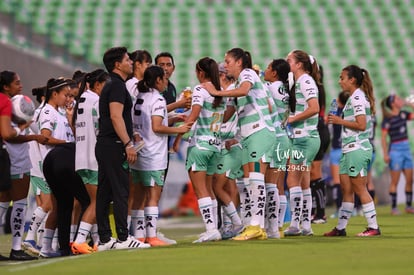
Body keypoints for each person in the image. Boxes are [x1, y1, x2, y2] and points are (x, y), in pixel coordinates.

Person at [203, 48, 276, 241]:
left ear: (238, 62)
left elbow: (244, 90)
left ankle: (255, 226)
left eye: (227, 61)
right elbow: (227, 113)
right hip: (248, 135)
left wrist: (217, 91)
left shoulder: (248, 73)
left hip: (259, 130)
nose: (225, 64)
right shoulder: (234, 86)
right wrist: (207, 125)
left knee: (255, 176)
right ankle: (255, 226)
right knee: (251, 179)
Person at [130, 65, 191, 246]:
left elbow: (148, 123)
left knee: (139, 196)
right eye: (164, 79)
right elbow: (157, 127)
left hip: (139, 152)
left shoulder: (139, 97)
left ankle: (140, 236)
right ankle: (152, 236)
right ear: (157, 80)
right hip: (153, 154)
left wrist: (171, 119)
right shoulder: (157, 99)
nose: (166, 82)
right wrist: (178, 129)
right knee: (153, 196)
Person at [95, 46, 148, 251]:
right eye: (127, 59)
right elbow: (116, 116)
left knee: (105, 191)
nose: (131, 62)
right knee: (120, 191)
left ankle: (105, 239)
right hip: (114, 144)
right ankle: (124, 238)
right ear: (117, 64)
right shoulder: (116, 86)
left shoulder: (112, 85)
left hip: (105, 144)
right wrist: (128, 143)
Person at [324, 65, 380, 237]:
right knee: (346, 190)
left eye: (342, 78)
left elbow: (361, 125)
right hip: (349, 149)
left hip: (357, 148)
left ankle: (373, 227)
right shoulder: (354, 97)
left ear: (352, 80)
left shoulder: (357, 98)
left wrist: (339, 121)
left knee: (359, 188)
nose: (340, 81)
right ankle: (340, 228)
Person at [174, 57, 225, 243]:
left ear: (200, 72)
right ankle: (214, 228)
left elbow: (193, 116)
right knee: (209, 189)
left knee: (200, 189)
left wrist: (179, 136)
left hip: (200, 145)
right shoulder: (221, 92)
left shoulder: (200, 89)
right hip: (216, 145)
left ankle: (211, 229)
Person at [0, 71, 40, 261]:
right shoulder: (7, 102)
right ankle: (16, 248)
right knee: (19, 202)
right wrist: (27, 130)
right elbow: (7, 134)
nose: (20, 85)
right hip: (13, 157)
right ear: (6, 87)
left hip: (5, 156)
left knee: (2, 202)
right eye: (17, 83)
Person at [70, 69, 109, 254]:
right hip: (93, 158)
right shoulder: (96, 101)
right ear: (98, 84)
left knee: (93, 201)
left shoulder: (81, 101)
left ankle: (96, 241)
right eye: (105, 84)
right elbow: (100, 128)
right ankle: (79, 241)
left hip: (80, 159)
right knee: (97, 202)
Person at [283, 50, 321, 236]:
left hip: (304, 138)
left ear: (299, 64)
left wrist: (292, 119)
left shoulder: (305, 81)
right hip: (306, 137)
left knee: (292, 180)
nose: (286, 62)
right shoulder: (302, 81)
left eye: (289, 60)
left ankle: (295, 225)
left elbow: (315, 108)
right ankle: (306, 225)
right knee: (304, 181)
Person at [212, 62, 244, 239]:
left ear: (222, 75)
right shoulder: (225, 93)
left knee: (218, 185)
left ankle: (235, 223)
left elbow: (241, 115)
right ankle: (228, 225)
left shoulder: (234, 91)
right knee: (227, 184)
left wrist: (237, 137)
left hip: (233, 144)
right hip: (223, 144)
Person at [263, 58, 291, 238]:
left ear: (274, 73)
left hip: (274, 138)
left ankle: (272, 228)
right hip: (285, 137)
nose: (265, 70)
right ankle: (278, 226)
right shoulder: (286, 89)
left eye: (268, 68)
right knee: (279, 184)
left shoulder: (270, 88)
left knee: (270, 184)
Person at [381, 94, 414, 215]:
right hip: (395, 150)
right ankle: (394, 207)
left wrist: (408, 104)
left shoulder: (403, 114)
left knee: (410, 180)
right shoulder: (388, 119)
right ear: (393, 104)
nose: (401, 100)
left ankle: (408, 206)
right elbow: (383, 138)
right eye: (398, 99)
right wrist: (385, 154)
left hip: (406, 148)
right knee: (395, 181)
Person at [310, 64, 330, 224]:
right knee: (309, 173)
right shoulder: (317, 86)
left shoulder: (315, 86)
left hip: (317, 128)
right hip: (318, 129)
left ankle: (320, 212)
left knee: (315, 172)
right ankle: (312, 211)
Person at [328, 91, 350, 218]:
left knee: (337, 181)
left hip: (336, 149)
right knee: (349, 182)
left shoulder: (335, 112)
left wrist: (334, 103)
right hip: (347, 149)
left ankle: (338, 210)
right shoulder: (351, 112)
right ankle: (353, 208)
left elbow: (328, 121)